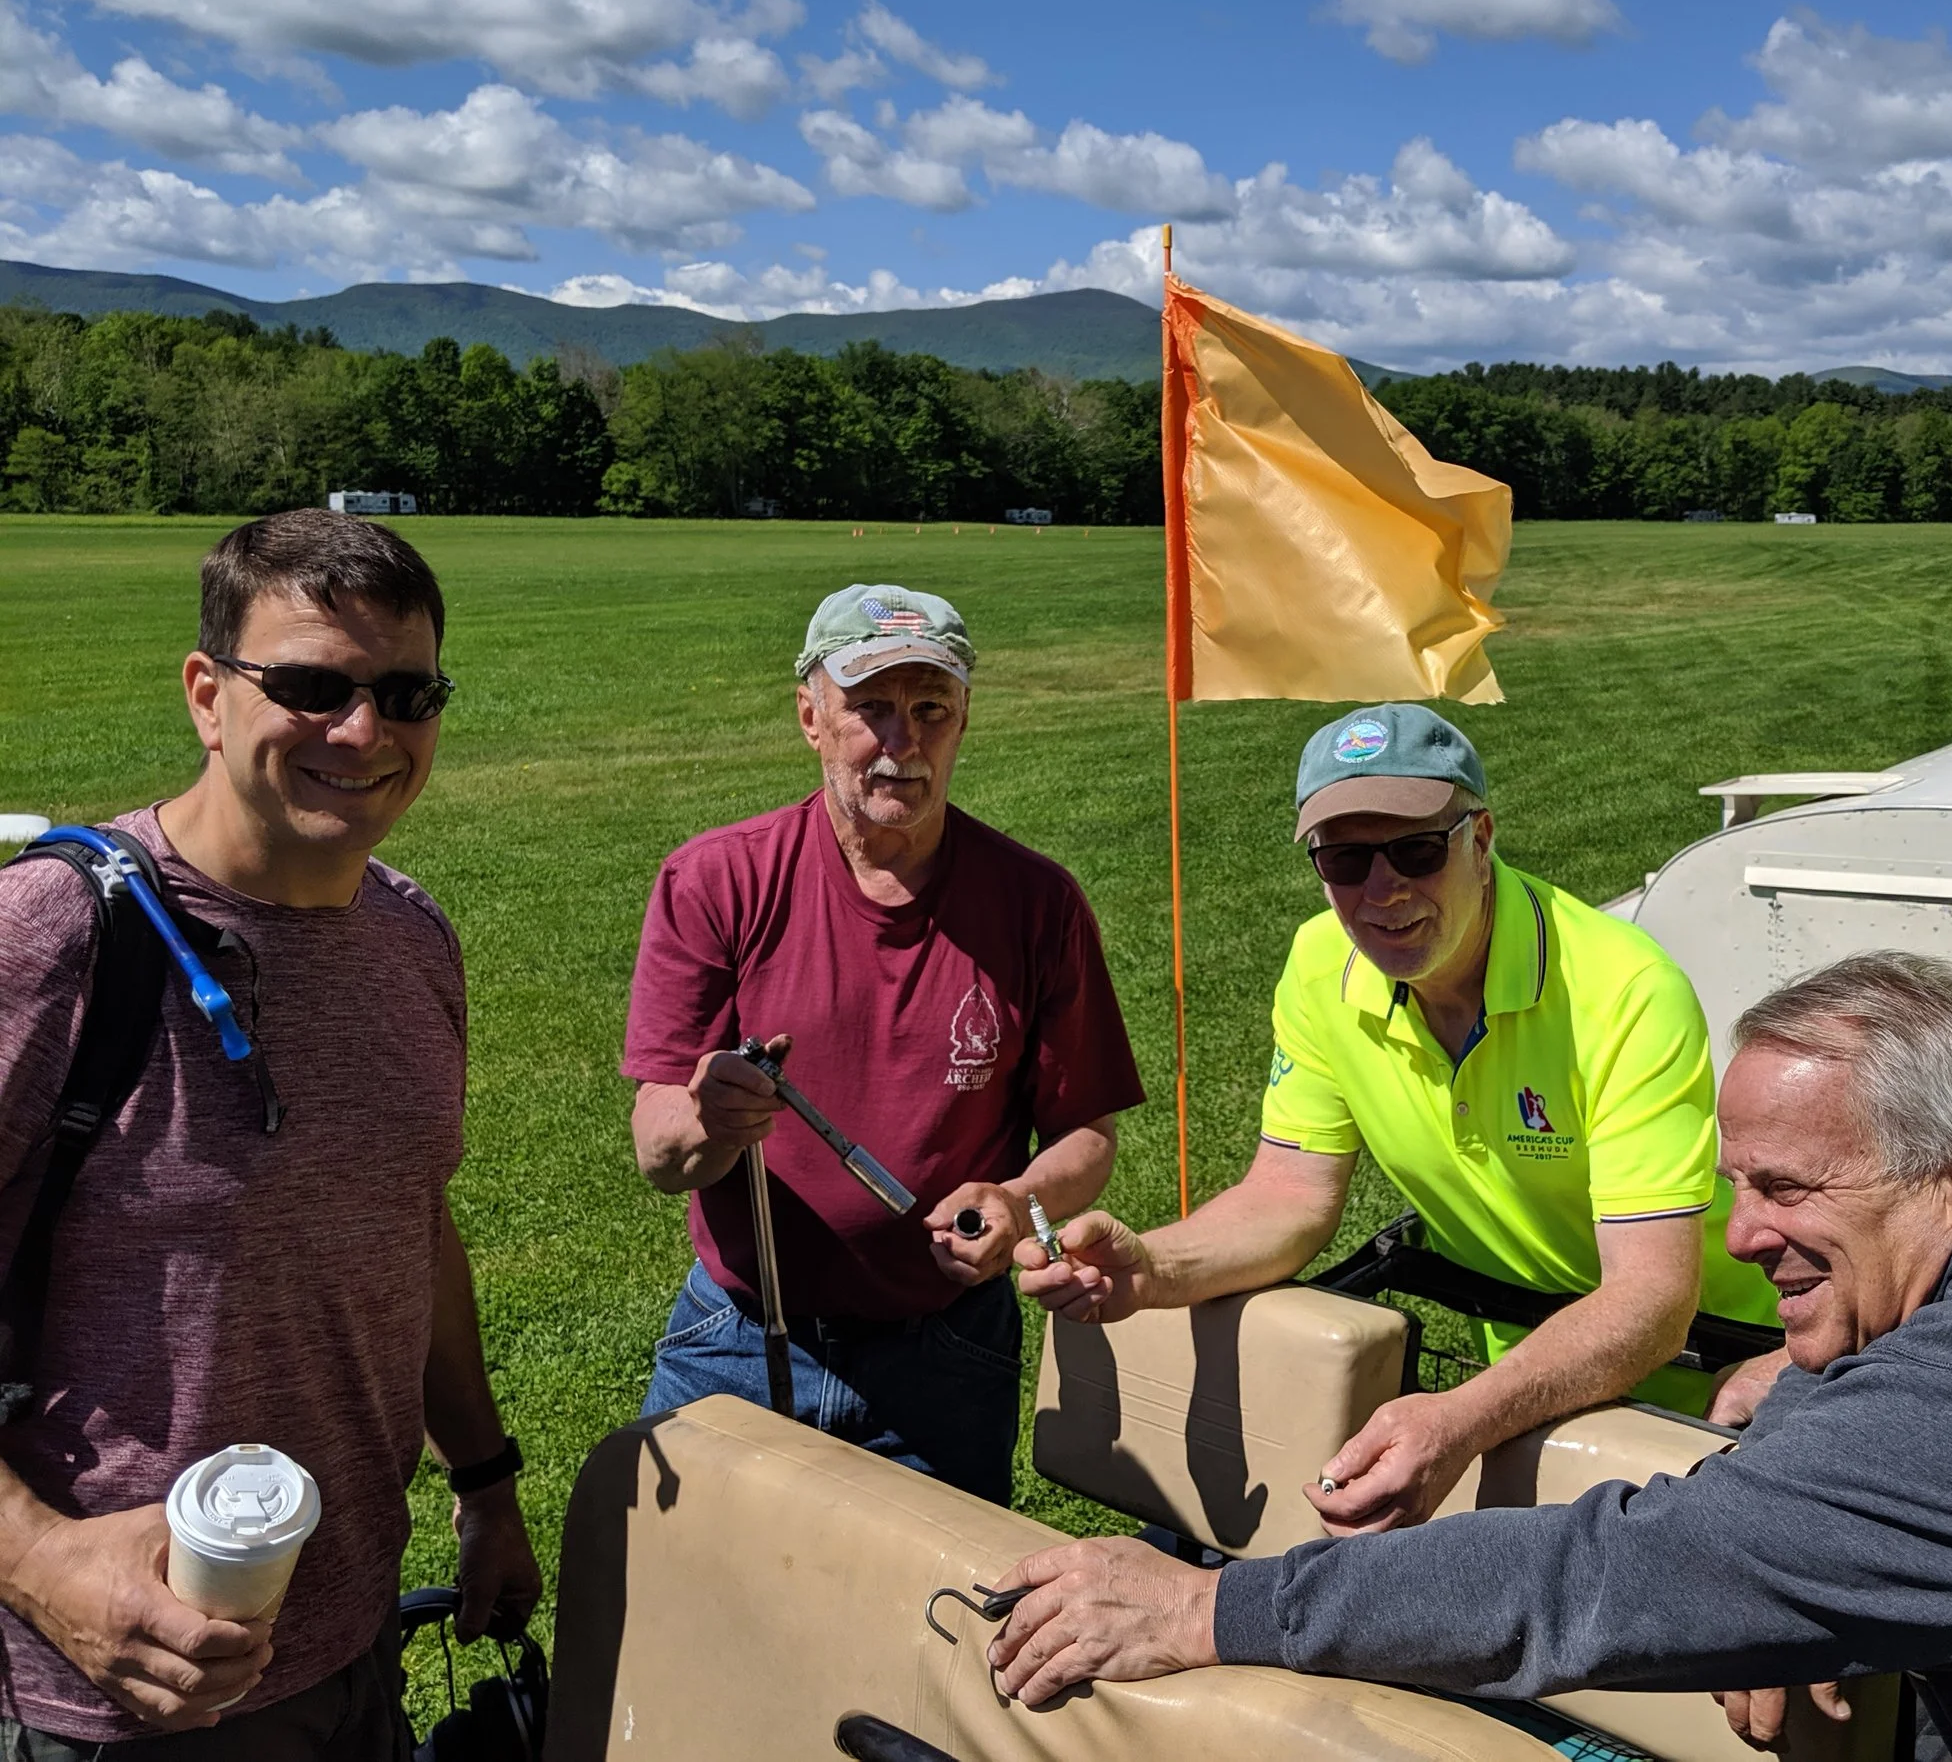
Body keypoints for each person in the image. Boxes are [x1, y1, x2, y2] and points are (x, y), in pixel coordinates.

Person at [981, 952, 1952, 1761]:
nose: (1741, 1229)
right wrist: (1831, 1434)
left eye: (1787, 1187)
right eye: (1735, 1180)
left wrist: (1212, 1601)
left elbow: (1594, 1579)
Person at [0, 510, 540, 1757]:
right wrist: (37, 1565)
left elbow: (412, 1227)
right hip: (102, 1695)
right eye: (311, 686)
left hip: (349, 1650)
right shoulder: (55, 940)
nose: (365, 733)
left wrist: (486, 1481)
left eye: (408, 692)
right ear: (207, 693)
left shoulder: (414, 939)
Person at [1020, 703, 1775, 1536]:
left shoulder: (1625, 990)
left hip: (1733, 1361)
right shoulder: (1319, 963)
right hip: (1537, 1361)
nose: (1382, 891)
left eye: (1417, 850)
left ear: (1480, 839)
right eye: (1344, 859)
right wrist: (1151, 1268)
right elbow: (1289, 1193)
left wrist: (1458, 1419)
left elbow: (1653, 1297)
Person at [623, 583, 1142, 1505]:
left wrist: (1019, 1201)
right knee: (696, 1620)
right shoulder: (717, 878)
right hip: (741, 1333)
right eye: (870, 708)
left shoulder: (1037, 903)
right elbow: (659, 1151)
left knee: (927, 1634)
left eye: (930, 709)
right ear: (811, 717)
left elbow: (1087, 1132)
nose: (901, 741)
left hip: (944, 1350)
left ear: (963, 720)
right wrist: (709, 1119)